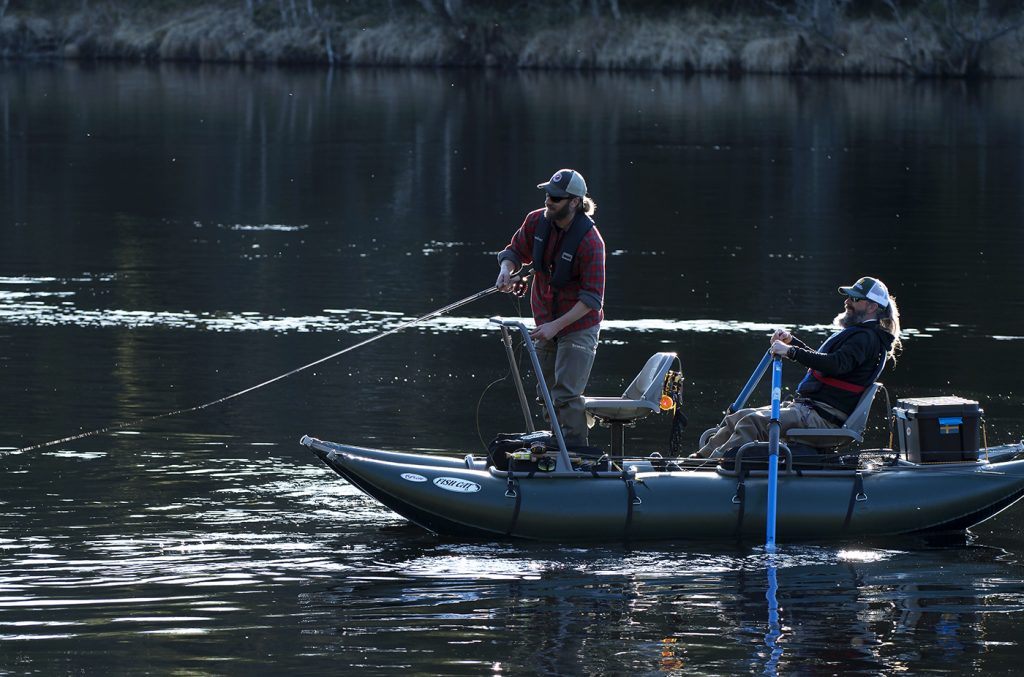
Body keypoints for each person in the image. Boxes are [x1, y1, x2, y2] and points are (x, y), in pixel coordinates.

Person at [693, 276, 902, 458]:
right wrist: (793, 343)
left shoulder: (866, 338)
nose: (847, 301)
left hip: (823, 418)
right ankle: (697, 459)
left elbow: (836, 365)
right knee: (737, 417)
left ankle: (711, 468)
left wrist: (791, 352)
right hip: (809, 409)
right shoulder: (861, 335)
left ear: (872, 307)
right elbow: (826, 365)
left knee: (752, 422)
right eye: (848, 297)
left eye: (855, 298)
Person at [495, 169, 606, 447]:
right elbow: (513, 252)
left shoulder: (591, 242)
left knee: (566, 393)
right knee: (545, 393)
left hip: (579, 326)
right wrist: (506, 271)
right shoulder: (536, 221)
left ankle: (577, 453)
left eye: (556, 198)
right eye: (548, 194)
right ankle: (558, 448)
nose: (549, 201)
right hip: (545, 321)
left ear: (574, 202)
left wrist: (556, 326)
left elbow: (592, 299)